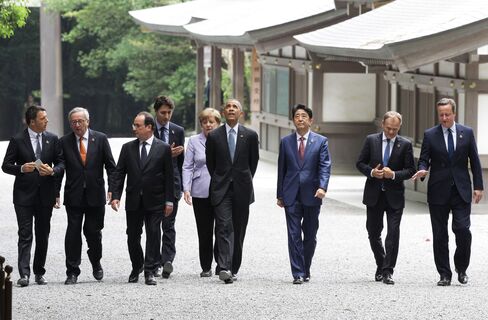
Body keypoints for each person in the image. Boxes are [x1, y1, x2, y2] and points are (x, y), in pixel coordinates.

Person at [412, 98, 483, 286]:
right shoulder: (430, 134)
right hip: (438, 190)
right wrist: (422, 169)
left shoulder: (466, 133)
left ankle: (461, 268)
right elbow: (424, 158)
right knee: (440, 234)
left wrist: (478, 186)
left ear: (454, 113)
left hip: (461, 190)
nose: (444, 118)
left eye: (447, 114)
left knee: (462, 230)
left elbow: (475, 161)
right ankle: (444, 273)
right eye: (441, 115)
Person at [2, 105, 63, 287]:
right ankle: (24, 274)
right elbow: (5, 165)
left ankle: (39, 272)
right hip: (23, 196)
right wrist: (21, 168)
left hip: (46, 194)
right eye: (43, 118)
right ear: (32, 121)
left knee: (43, 234)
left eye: (46, 117)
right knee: (25, 234)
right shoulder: (17, 139)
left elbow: (61, 163)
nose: (47, 121)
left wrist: (53, 171)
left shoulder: (52, 139)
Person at [110, 112, 174, 285]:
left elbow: (169, 177)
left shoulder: (163, 148)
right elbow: (119, 173)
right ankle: (137, 264)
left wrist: (170, 200)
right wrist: (115, 196)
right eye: (134, 125)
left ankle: (149, 270)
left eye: (138, 126)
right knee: (132, 235)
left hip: (156, 200)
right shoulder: (127, 148)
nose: (134, 129)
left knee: (153, 234)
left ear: (149, 127)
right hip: (133, 200)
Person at [356, 111, 415, 285]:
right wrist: (372, 172)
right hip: (374, 194)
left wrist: (394, 175)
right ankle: (381, 263)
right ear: (383, 125)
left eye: (395, 130)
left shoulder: (405, 144)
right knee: (373, 232)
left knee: (393, 233)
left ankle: (388, 271)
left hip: (394, 196)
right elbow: (359, 163)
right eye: (388, 128)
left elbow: (411, 170)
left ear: (399, 128)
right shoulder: (371, 140)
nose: (391, 132)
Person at [59, 107, 116, 285]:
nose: (77, 125)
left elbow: (111, 166)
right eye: (73, 122)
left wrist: (112, 189)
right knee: (73, 233)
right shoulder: (64, 142)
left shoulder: (100, 139)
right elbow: (60, 168)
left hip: (95, 194)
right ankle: (72, 271)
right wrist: (55, 192)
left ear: (87, 122)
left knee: (93, 232)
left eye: (80, 121)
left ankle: (96, 261)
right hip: (74, 195)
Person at [206, 98, 259, 284]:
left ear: (240, 113)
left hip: (242, 189)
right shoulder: (214, 136)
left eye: (234, 107)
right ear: (223, 111)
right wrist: (222, 178)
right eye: (227, 106)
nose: (231, 109)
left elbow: (253, 164)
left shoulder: (250, 136)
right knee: (223, 226)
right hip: (221, 189)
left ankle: (234, 266)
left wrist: (241, 178)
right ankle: (224, 267)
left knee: (239, 229)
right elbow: (211, 164)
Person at [276, 104, 331, 284]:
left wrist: (322, 187)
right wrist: (280, 194)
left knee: (310, 234)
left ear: (311, 120)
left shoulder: (321, 141)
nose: (300, 119)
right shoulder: (286, 142)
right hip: (291, 193)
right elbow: (281, 169)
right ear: (293, 120)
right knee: (293, 234)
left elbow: (325, 166)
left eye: (304, 116)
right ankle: (297, 272)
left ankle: (305, 266)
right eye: (297, 116)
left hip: (313, 193)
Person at [182, 108, 221, 277]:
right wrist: (186, 188)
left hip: (220, 189)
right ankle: (206, 266)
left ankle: (222, 263)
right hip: (200, 190)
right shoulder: (194, 141)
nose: (208, 125)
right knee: (204, 230)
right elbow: (187, 166)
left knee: (222, 229)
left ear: (218, 123)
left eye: (211, 121)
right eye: (205, 122)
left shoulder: (224, 139)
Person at [152, 95, 185, 279]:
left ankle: (167, 261)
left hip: (172, 184)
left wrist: (181, 185)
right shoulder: (148, 129)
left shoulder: (177, 131)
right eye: (163, 112)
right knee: (154, 224)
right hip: (153, 184)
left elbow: (181, 162)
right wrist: (165, 154)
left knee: (169, 224)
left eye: (169, 112)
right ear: (156, 112)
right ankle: (154, 261)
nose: (166, 116)